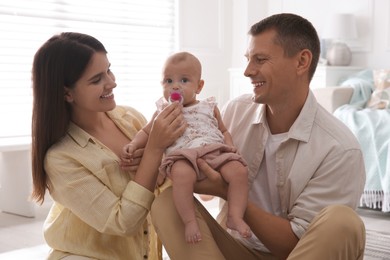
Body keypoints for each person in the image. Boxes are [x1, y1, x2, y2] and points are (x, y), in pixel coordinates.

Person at [151, 13, 366, 260]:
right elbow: (204, 193)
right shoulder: (234, 112)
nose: (247, 71)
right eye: (248, 59)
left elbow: (295, 247)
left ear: (301, 62)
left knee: (344, 223)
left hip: (297, 254)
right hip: (236, 248)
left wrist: (226, 191)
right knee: (167, 203)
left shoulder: (339, 149)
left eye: (260, 60)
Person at [30, 32, 186, 259]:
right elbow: (123, 223)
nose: (112, 82)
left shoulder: (131, 118)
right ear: (67, 93)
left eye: (109, 70)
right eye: (96, 80)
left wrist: (154, 163)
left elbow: (165, 185)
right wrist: (154, 150)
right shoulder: (60, 158)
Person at [120, 51, 251, 244]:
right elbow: (147, 132)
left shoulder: (209, 107)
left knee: (239, 171)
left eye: (183, 80)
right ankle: (189, 221)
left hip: (214, 151)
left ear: (199, 86)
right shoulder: (162, 111)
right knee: (181, 175)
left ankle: (235, 215)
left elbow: (223, 131)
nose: (175, 86)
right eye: (168, 80)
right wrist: (133, 144)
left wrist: (230, 147)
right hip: (183, 157)